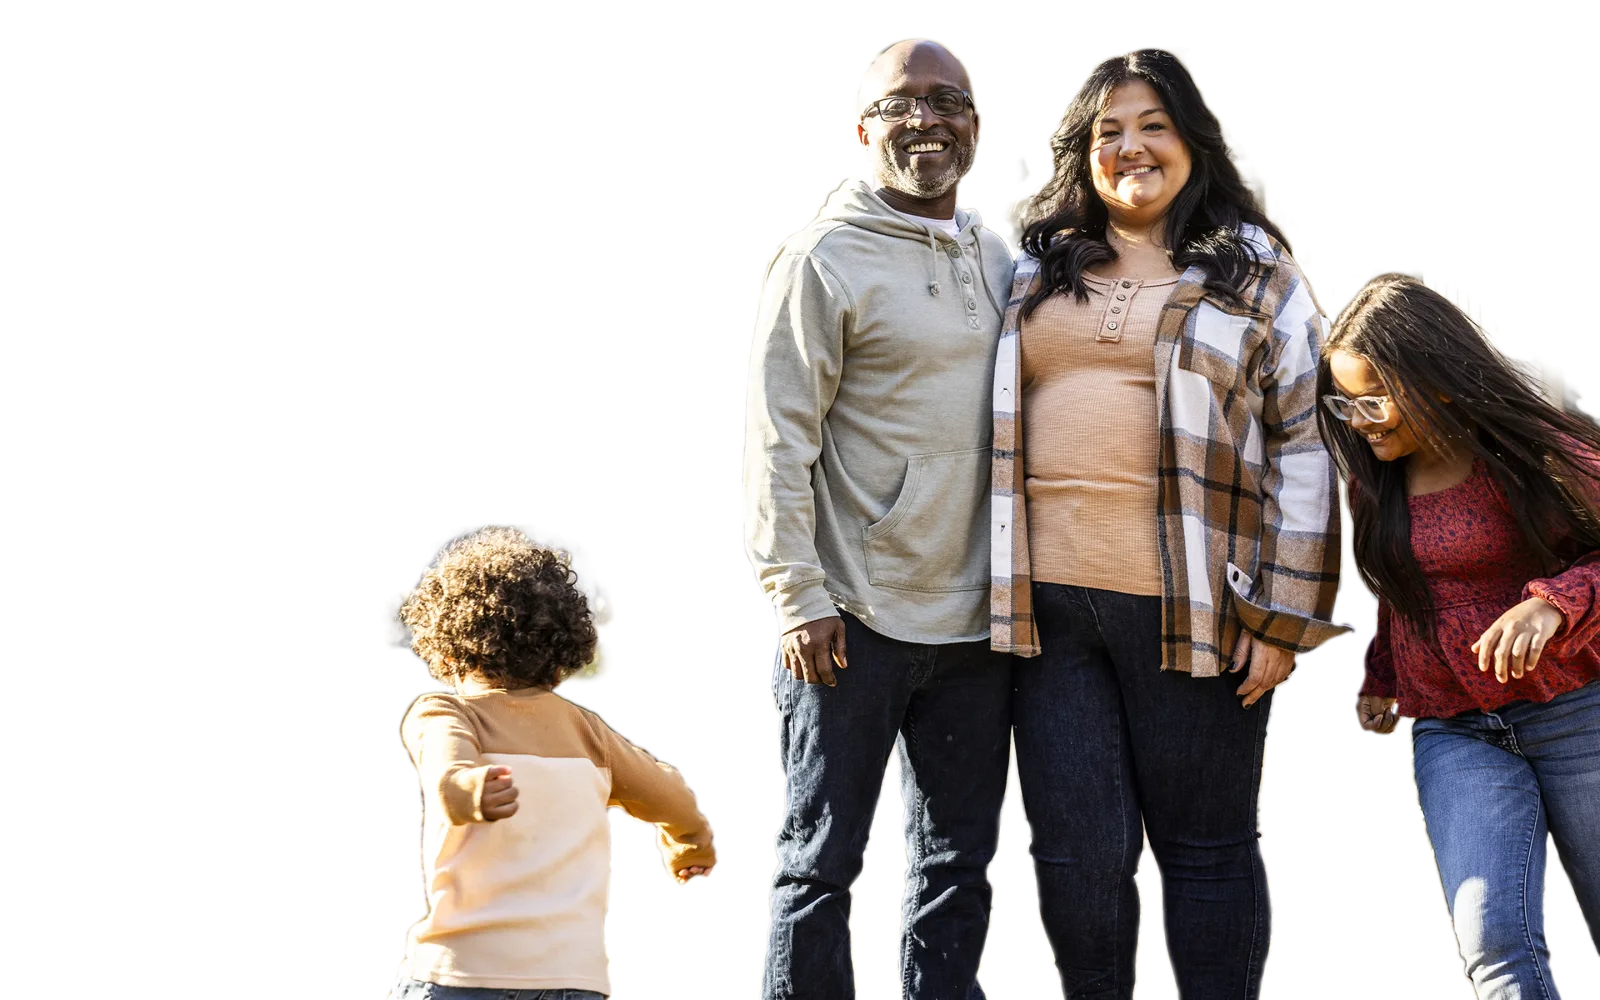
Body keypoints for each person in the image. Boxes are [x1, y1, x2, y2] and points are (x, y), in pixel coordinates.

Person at [989, 46, 1349, 997]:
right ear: (1082, 151)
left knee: (1205, 847)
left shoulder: (1254, 266)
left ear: (1192, 142)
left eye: (1153, 126)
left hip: (1199, 608)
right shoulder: (1032, 266)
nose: (1132, 148)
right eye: (1109, 132)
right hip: (1046, 611)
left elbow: (1308, 440)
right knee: (1075, 852)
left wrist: (1284, 617)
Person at [742, 36, 1015, 1000]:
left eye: (947, 103)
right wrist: (797, 594)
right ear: (864, 128)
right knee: (819, 865)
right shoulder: (823, 260)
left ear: (973, 127)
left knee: (954, 868)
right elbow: (777, 441)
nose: (926, 120)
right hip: (850, 615)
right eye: (902, 104)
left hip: (978, 620)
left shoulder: (994, 257)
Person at [1318, 275, 1600, 999]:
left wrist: (1553, 605)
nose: (1359, 420)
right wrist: (1381, 675)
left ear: (1435, 380)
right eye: (1344, 402)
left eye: (1373, 399)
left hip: (1574, 713)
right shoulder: (1375, 481)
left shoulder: (1541, 456)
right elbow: (1409, 590)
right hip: (1455, 730)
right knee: (1495, 942)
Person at [390, 525, 716, 999]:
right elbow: (669, 794)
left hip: (462, 973)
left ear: (447, 643)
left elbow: (447, 774)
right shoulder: (588, 734)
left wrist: (467, 791)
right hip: (573, 982)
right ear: (562, 647)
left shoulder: (446, 712)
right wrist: (689, 844)